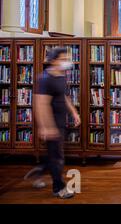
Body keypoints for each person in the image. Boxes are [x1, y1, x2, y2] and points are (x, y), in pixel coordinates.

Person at [24, 47, 81, 199]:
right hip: (52, 124)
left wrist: (74, 112)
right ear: (54, 60)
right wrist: (46, 127)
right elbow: (41, 104)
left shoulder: (62, 75)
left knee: (54, 155)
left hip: (61, 123)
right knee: (57, 157)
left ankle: (39, 171)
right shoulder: (44, 78)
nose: (66, 62)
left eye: (67, 59)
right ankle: (59, 188)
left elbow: (65, 96)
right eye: (63, 59)